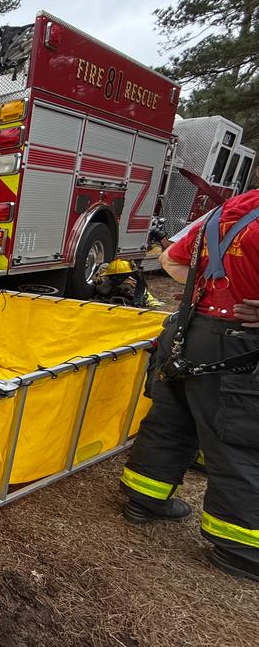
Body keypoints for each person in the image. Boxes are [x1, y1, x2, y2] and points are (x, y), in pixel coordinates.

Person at [120, 187, 259, 582]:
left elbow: (170, 259)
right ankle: (241, 547)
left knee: (172, 420)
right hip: (237, 343)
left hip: (188, 331)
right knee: (236, 439)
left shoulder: (223, 214)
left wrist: (209, 292)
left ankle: (144, 499)